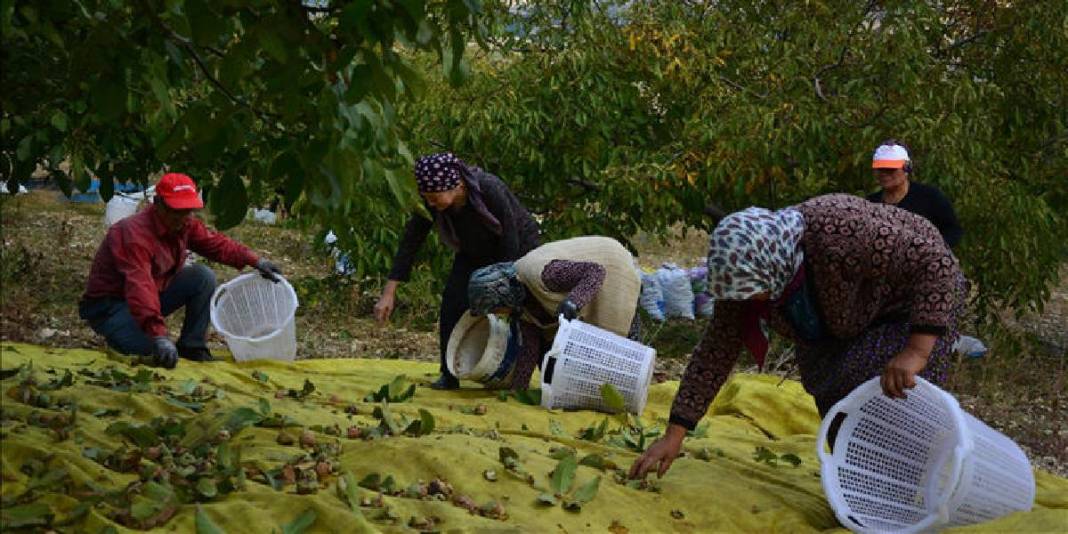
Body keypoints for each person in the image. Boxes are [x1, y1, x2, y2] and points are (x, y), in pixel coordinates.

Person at [629, 194, 966, 480]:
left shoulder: (838, 230)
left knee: (886, 387)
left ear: (775, 266)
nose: (747, 302)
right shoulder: (746, 281)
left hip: (912, 304)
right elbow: (715, 352)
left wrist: (916, 351)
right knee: (827, 382)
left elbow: (935, 264)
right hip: (841, 316)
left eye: (753, 292)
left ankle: (916, 479)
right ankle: (861, 477)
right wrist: (674, 435)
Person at [79, 173, 284, 369]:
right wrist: (158, 336)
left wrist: (255, 260)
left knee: (202, 277)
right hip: (111, 307)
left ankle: (191, 346)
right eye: (176, 211)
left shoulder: (183, 224)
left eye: (188, 211)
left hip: (149, 296)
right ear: (158, 204)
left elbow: (215, 244)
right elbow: (140, 287)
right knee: (152, 352)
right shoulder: (133, 235)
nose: (183, 218)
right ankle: (122, 333)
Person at [374, 153, 540, 390]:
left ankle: (526, 375)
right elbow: (411, 240)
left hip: (519, 249)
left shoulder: (489, 188)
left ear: (457, 185)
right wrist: (389, 292)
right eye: (426, 199)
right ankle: (449, 373)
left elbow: (510, 238)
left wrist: (504, 287)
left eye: (434, 198)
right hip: (473, 251)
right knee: (452, 302)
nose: (431, 204)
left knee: (527, 314)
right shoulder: (435, 203)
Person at [466, 236, 642, 390]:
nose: (498, 315)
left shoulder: (543, 275)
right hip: (589, 281)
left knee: (617, 342)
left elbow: (595, 272)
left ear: (503, 296)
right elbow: (530, 346)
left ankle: (630, 385)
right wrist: (518, 389)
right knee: (552, 370)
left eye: (495, 309)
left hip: (612, 265)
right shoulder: (521, 304)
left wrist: (574, 301)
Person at [867, 140, 964, 248]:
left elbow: (953, 231)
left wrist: (933, 249)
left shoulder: (930, 197)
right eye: (880, 169)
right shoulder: (871, 204)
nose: (884, 174)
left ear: (907, 168)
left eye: (890, 169)